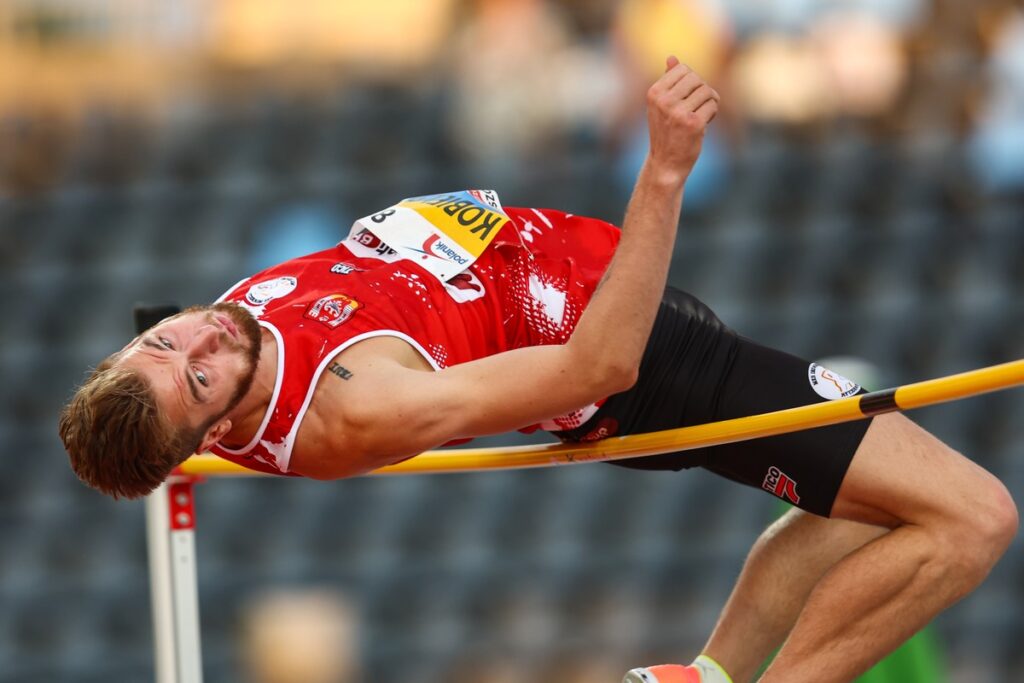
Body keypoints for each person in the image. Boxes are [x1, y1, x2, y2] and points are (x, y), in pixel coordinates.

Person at [59, 59, 1017, 683]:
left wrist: (163, 383)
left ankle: (709, 674)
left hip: (594, 294)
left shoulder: (225, 336)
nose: (200, 342)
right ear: (218, 427)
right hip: (650, 372)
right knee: (973, 518)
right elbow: (600, 362)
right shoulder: (353, 405)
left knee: (859, 505)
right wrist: (665, 171)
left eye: (162, 343)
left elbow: (175, 378)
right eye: (196, 379)